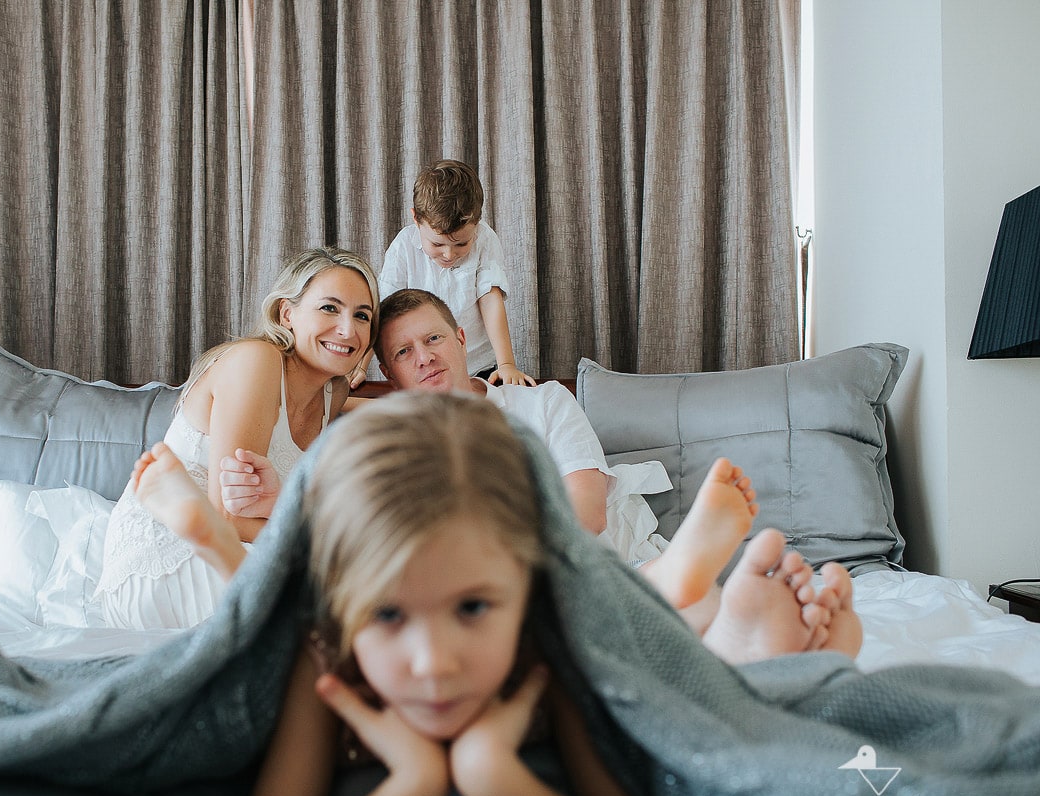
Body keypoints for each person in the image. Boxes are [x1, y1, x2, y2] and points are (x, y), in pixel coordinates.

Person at [126, 393, 860, 796]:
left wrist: (496, 781)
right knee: (273, 612)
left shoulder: (553, 638)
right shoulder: (324, 658)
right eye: (387, 613)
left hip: (579, 624)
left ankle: (720, 626)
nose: (434, 661)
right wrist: (410, 786)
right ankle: (220, 545)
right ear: (346, 614)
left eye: (472, 607)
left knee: (657, 640)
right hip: (317, 609)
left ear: (527, 592)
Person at [222, 289, 849, 655]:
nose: (426, 360)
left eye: (434, 340)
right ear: (390, 374)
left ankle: (705, 603)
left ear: (461, 336)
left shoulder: (541, 401)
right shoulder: (395, 433)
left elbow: (588, 507)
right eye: (404, 355)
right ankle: (700, 601)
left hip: (564, 552)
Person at [94, 247, 379, 630]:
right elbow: (228, 517)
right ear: (286, 313)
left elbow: (377, 412)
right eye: (330, 308)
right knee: (339, 606)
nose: (349, 330)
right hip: (169, 557)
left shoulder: (334, 392)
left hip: (247, 546)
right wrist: (326, 541)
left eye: (362, 315)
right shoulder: (256, 361)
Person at [355, 159, 535, 388]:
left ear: (476, 225)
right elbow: (383, 310)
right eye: (437, 244)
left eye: (461, 244)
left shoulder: (485, 239)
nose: (449, 255)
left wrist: (506, 364)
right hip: (421, 368)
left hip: (480, 367)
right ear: (416, 219)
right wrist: (360, 366)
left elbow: (490, 300)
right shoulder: (403, 246)